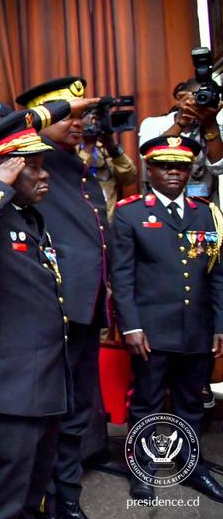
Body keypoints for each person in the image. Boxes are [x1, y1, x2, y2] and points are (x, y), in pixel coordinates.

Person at [0, 100, 83, 519]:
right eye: (32, 168)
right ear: (1, 170)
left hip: (41, 383)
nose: (45, 176)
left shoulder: (28, 217)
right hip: (5, 389)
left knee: (30, 498)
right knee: (0, 505)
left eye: (44, 166)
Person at [112, 136, 223, 503]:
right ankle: (142, 468)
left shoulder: (206, 213)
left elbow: (216, 274)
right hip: (151, 330)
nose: (174, 172)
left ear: (190, 170)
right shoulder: (130, 213)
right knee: (147, 401)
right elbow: (122, 276)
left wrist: (220, 325)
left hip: (197, 327)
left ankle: (192, 466)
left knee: (191, 402)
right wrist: (131, 325)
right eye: (164, 166)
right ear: (150, 169)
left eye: (181, 166)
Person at [16, 78, 108, 519]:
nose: (78, 123)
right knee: (53, 412)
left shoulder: (77, 163)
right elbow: (13, 130)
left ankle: (67, 498)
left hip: (86, 305)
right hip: (55, 309)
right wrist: (49, 113)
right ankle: (47, 499)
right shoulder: (31, 158)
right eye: (67, 115)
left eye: (82, 115)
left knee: (77, 409)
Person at [138, 78, 223, 204]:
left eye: (207, 97)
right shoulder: (153, 124)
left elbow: (218, 168)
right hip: (160, 204)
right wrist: (182, 121)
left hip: (203, 205)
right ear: (180, 98)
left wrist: (210, 124)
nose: (201, 101)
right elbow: (149, 157)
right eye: (197, 96)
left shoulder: (215, 129)